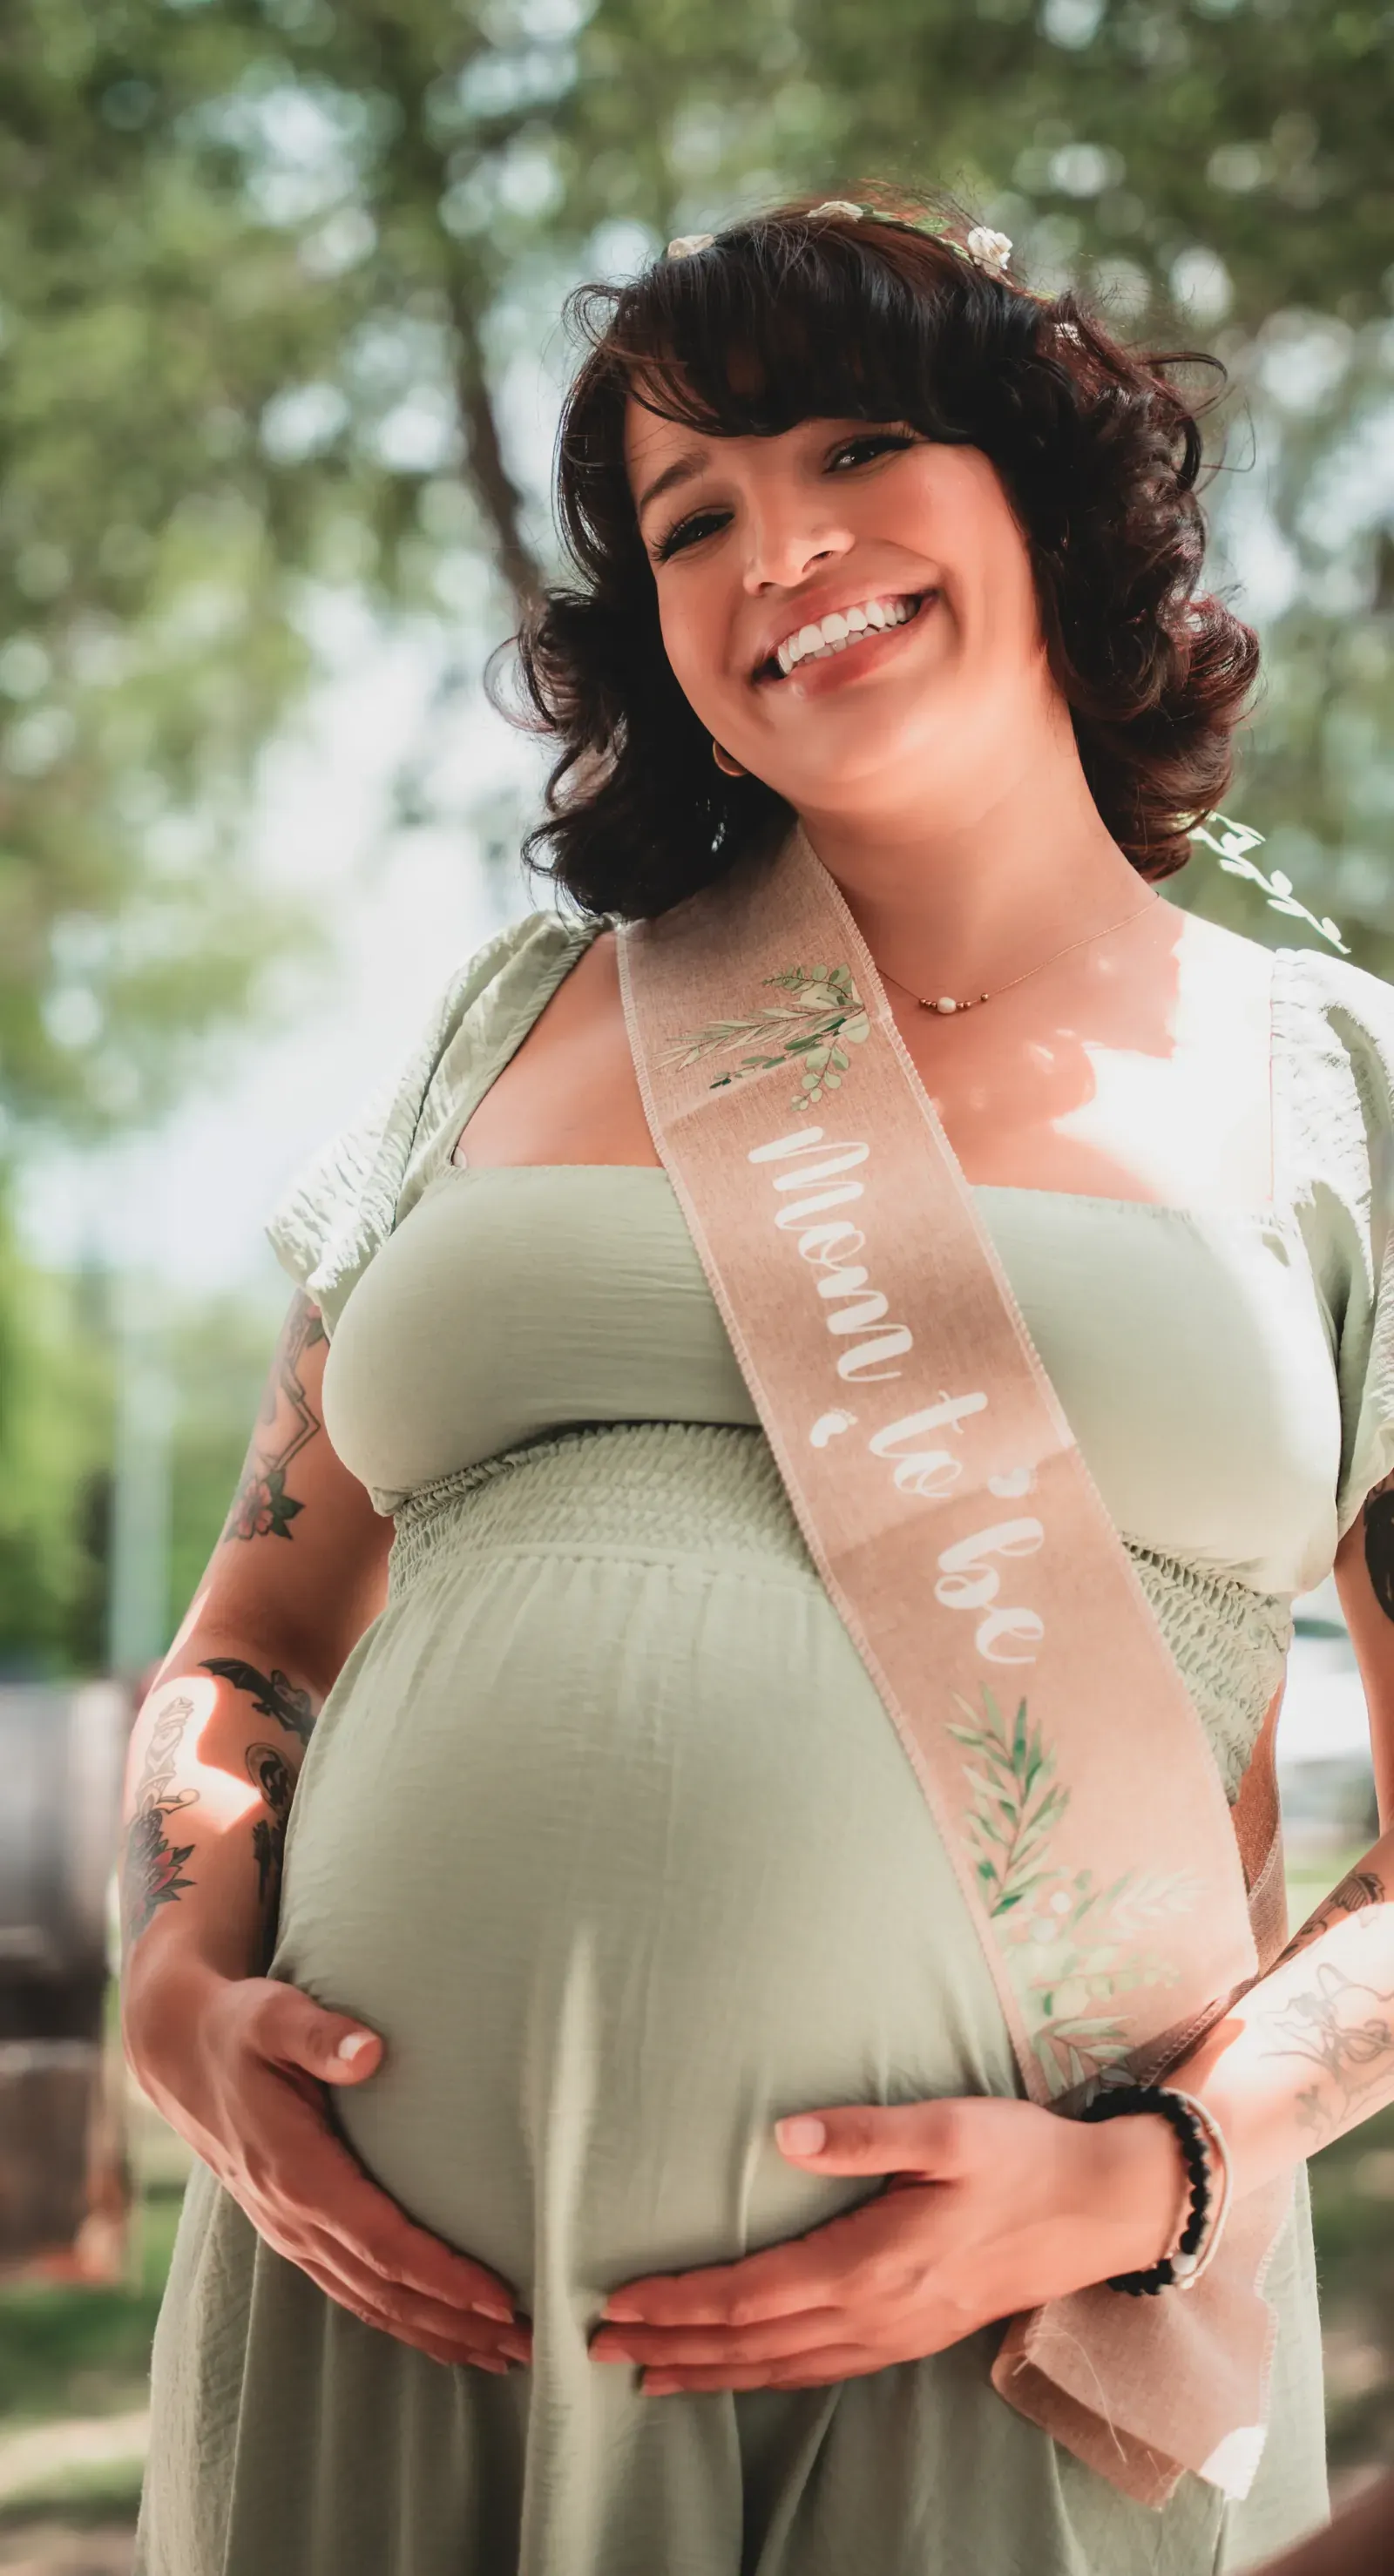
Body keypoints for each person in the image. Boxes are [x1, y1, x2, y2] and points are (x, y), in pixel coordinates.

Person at [122, 189, 1394, 2576]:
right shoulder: (496, 1032)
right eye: (690, 518)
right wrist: (179, 1987)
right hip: (378, 2325)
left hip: (995, 2341)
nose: (773, 550)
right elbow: (245, 1646)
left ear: (1046, 491)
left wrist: (1154, 2172)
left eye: (854, 449)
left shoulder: (1347, 1098)